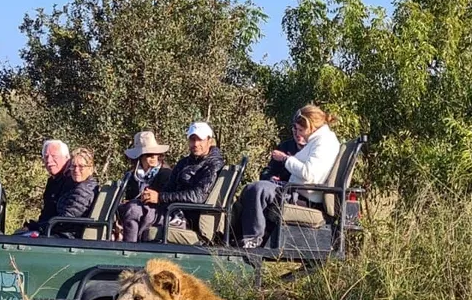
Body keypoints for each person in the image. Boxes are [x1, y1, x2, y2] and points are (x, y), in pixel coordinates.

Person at [235, 105, 341, 249]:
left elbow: (309, 174)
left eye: (301, 130)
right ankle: (242, 237)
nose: (299, 134)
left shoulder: (324, 143)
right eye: (296, 129)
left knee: (257, 189)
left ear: (311, 126)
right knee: (252, 188)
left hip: (303, 196)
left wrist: (285, 159)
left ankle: (253, 240)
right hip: (295, 190)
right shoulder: (318, 140)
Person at [139, 121, 225, 235]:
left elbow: (198, 196)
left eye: (200, 140)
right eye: (192, 139)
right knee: (134, 209)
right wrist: (151, 197)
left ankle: (132, 244)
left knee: (137, 214)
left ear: (209, 141)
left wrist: (160, 197)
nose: (195, 144)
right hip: (174, 210)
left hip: (189, 218)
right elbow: (169, 188)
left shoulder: (214, 165)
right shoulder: (184, 163)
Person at [115, 131, 173, 242]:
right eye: (148, 154)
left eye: (155, 153)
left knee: (133, 210)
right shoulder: (131, 176)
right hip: (141, 214)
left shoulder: (166, 174)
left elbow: (169, 198)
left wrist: (157, 198)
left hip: (162, 213)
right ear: (139, 157)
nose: (153, 157)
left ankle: (131, 246)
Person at [42, 147, 100, 238]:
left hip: (68, 238)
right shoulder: (74, 186)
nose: (76, 170)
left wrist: (39, 227)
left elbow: (65, 220)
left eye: (81, 166)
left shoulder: (84, 190)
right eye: (73, 166)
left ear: (90, 169)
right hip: (62, 234)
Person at [20, 139, 72, 233]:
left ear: (67, 158)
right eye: (46, 156)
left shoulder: (72, 182)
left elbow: (65, 218)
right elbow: (47, 213)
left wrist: (37, 228)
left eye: (54, 156)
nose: (49, 161)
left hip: (60, 235)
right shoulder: (52, 181)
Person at [259, 112, 307, 182]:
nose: (297, 133)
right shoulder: (284, 147)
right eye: (295, 128)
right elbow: (269, 170)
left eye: (301, 129)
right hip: (284, 187)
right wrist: (270, 177)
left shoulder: (315, 149)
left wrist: (285, 158)